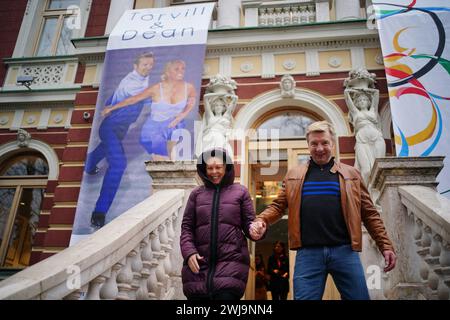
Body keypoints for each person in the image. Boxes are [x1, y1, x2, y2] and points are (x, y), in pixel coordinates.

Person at [250, 121, 396, 300]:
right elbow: (278, 206)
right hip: (308, 254)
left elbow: (369, 213)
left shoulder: (351, 174)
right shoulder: (293, 175)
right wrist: (261, 219)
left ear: (332, 143)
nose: (320, 148)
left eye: (324, 143)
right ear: (308, 145)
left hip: (345, 251)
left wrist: (385, 245)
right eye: (314, 143)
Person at [180, 148, 262, 300]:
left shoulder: (240, 192)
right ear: (204, 170)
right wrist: (189, 252)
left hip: (231, 266)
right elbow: (186, 228)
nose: (214, 172)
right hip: (198, 268)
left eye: (218, 167)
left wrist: (256, 230)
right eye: (210, 168)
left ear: (226, 167)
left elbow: (250, 224)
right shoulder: (196, 194)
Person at [85, 52, 154, 228]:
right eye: (144, 64)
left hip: (119, 129)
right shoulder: (131, 83)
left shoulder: (142, 78)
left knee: (104, 149)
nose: (148, 68)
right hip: (110, 127)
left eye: (150, 65)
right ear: (135, 66)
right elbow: (139, 98)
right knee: (118, 164)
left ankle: (89, 165)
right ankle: (99, 212)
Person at [103, 59, 196, 160]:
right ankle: (157, 158)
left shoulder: (189, 87)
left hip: (175, 126)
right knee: (163, 163)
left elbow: (191, 101)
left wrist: (182, 115)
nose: (181, 71)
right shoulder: (156, 89)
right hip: (154, 129)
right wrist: (112, 108)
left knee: (172, 160)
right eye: (176, 69)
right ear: (168, 72)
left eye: (183, 68)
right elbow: (134, 99)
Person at [344, 88, 385, 183]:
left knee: (379, 168)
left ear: (368, 102)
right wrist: (355, 89)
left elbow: (376, 92)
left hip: (377, 138)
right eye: (359, 100)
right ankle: (364, 194)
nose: (362, 102)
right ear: (357, 103)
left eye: (364, 100)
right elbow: (346, 95)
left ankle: (376, 193)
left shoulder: (373, 111)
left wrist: (364, 89)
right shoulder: (355, 112)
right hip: (362, 140)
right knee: (366, 170)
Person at [199, 92, 237, 157]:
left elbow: (235, 99)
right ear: (214, 107)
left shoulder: (226, 116)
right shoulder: (210, 116)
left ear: (223, 108)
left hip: (220, 138)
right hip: (210, 138)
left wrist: (227, 96)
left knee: (219, 157)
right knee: (208, 157)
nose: (218, 107)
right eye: (216, 105)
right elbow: (205, 97)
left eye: (220, 105)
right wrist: (219, 94)